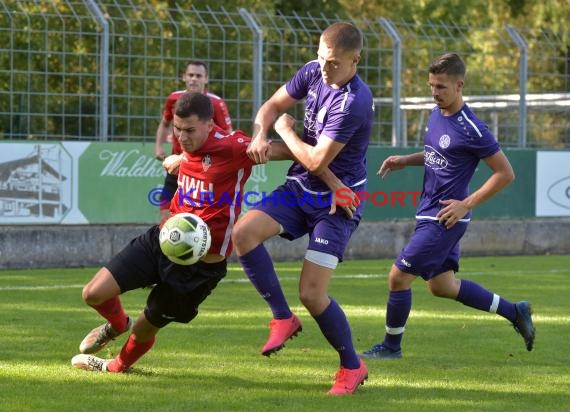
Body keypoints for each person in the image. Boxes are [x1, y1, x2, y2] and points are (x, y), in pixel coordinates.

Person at [71, 92, 280, 373]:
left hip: (199, 269)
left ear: (210, 125)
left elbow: (289, 152)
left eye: (190, 130)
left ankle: (115, 367)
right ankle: (119, 323)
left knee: (145, 328)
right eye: (177, 129)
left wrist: (263, 141)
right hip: (165, 239)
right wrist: (181, 157)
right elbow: (195, 155)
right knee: (93, 293)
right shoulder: (188, 147)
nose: (182, 136)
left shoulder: (233, 147)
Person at [360, 52, 535, 360]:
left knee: (397, 277)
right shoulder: (435, 113)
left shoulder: (473, 128)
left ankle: (390, 348)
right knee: (442, 286)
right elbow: (436, 156)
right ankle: (515, 312)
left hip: (445, 218)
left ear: (459, 85)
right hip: (428, 211)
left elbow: (506, 173)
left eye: (441, 87)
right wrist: (406, 160)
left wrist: (466, 205)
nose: (434, 92)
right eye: (431, 85)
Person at [231, 22, 373, 395]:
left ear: (355, 60)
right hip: (300, 188)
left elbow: (313, 158)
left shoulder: (355, 101)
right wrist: (261, 133)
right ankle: (282, 317)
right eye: (322, 59)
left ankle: (352, 366)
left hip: (337, 203)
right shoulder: (313, 70)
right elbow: (272, 105)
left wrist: (284, 130)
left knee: (311, 293)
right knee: (243, 233)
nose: (324, 69)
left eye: (333, 64)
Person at [155, 60, 233, 223]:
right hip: (177, 166)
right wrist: (158, 146)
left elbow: (228, 138)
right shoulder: (174, 98)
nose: (194, 79)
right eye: (190, 75)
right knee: (165, 213)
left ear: (206, 79)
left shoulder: (216, 103)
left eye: (198, 76)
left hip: (203, 171)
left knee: (198, 220)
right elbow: (164, 123)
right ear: (184, 77)